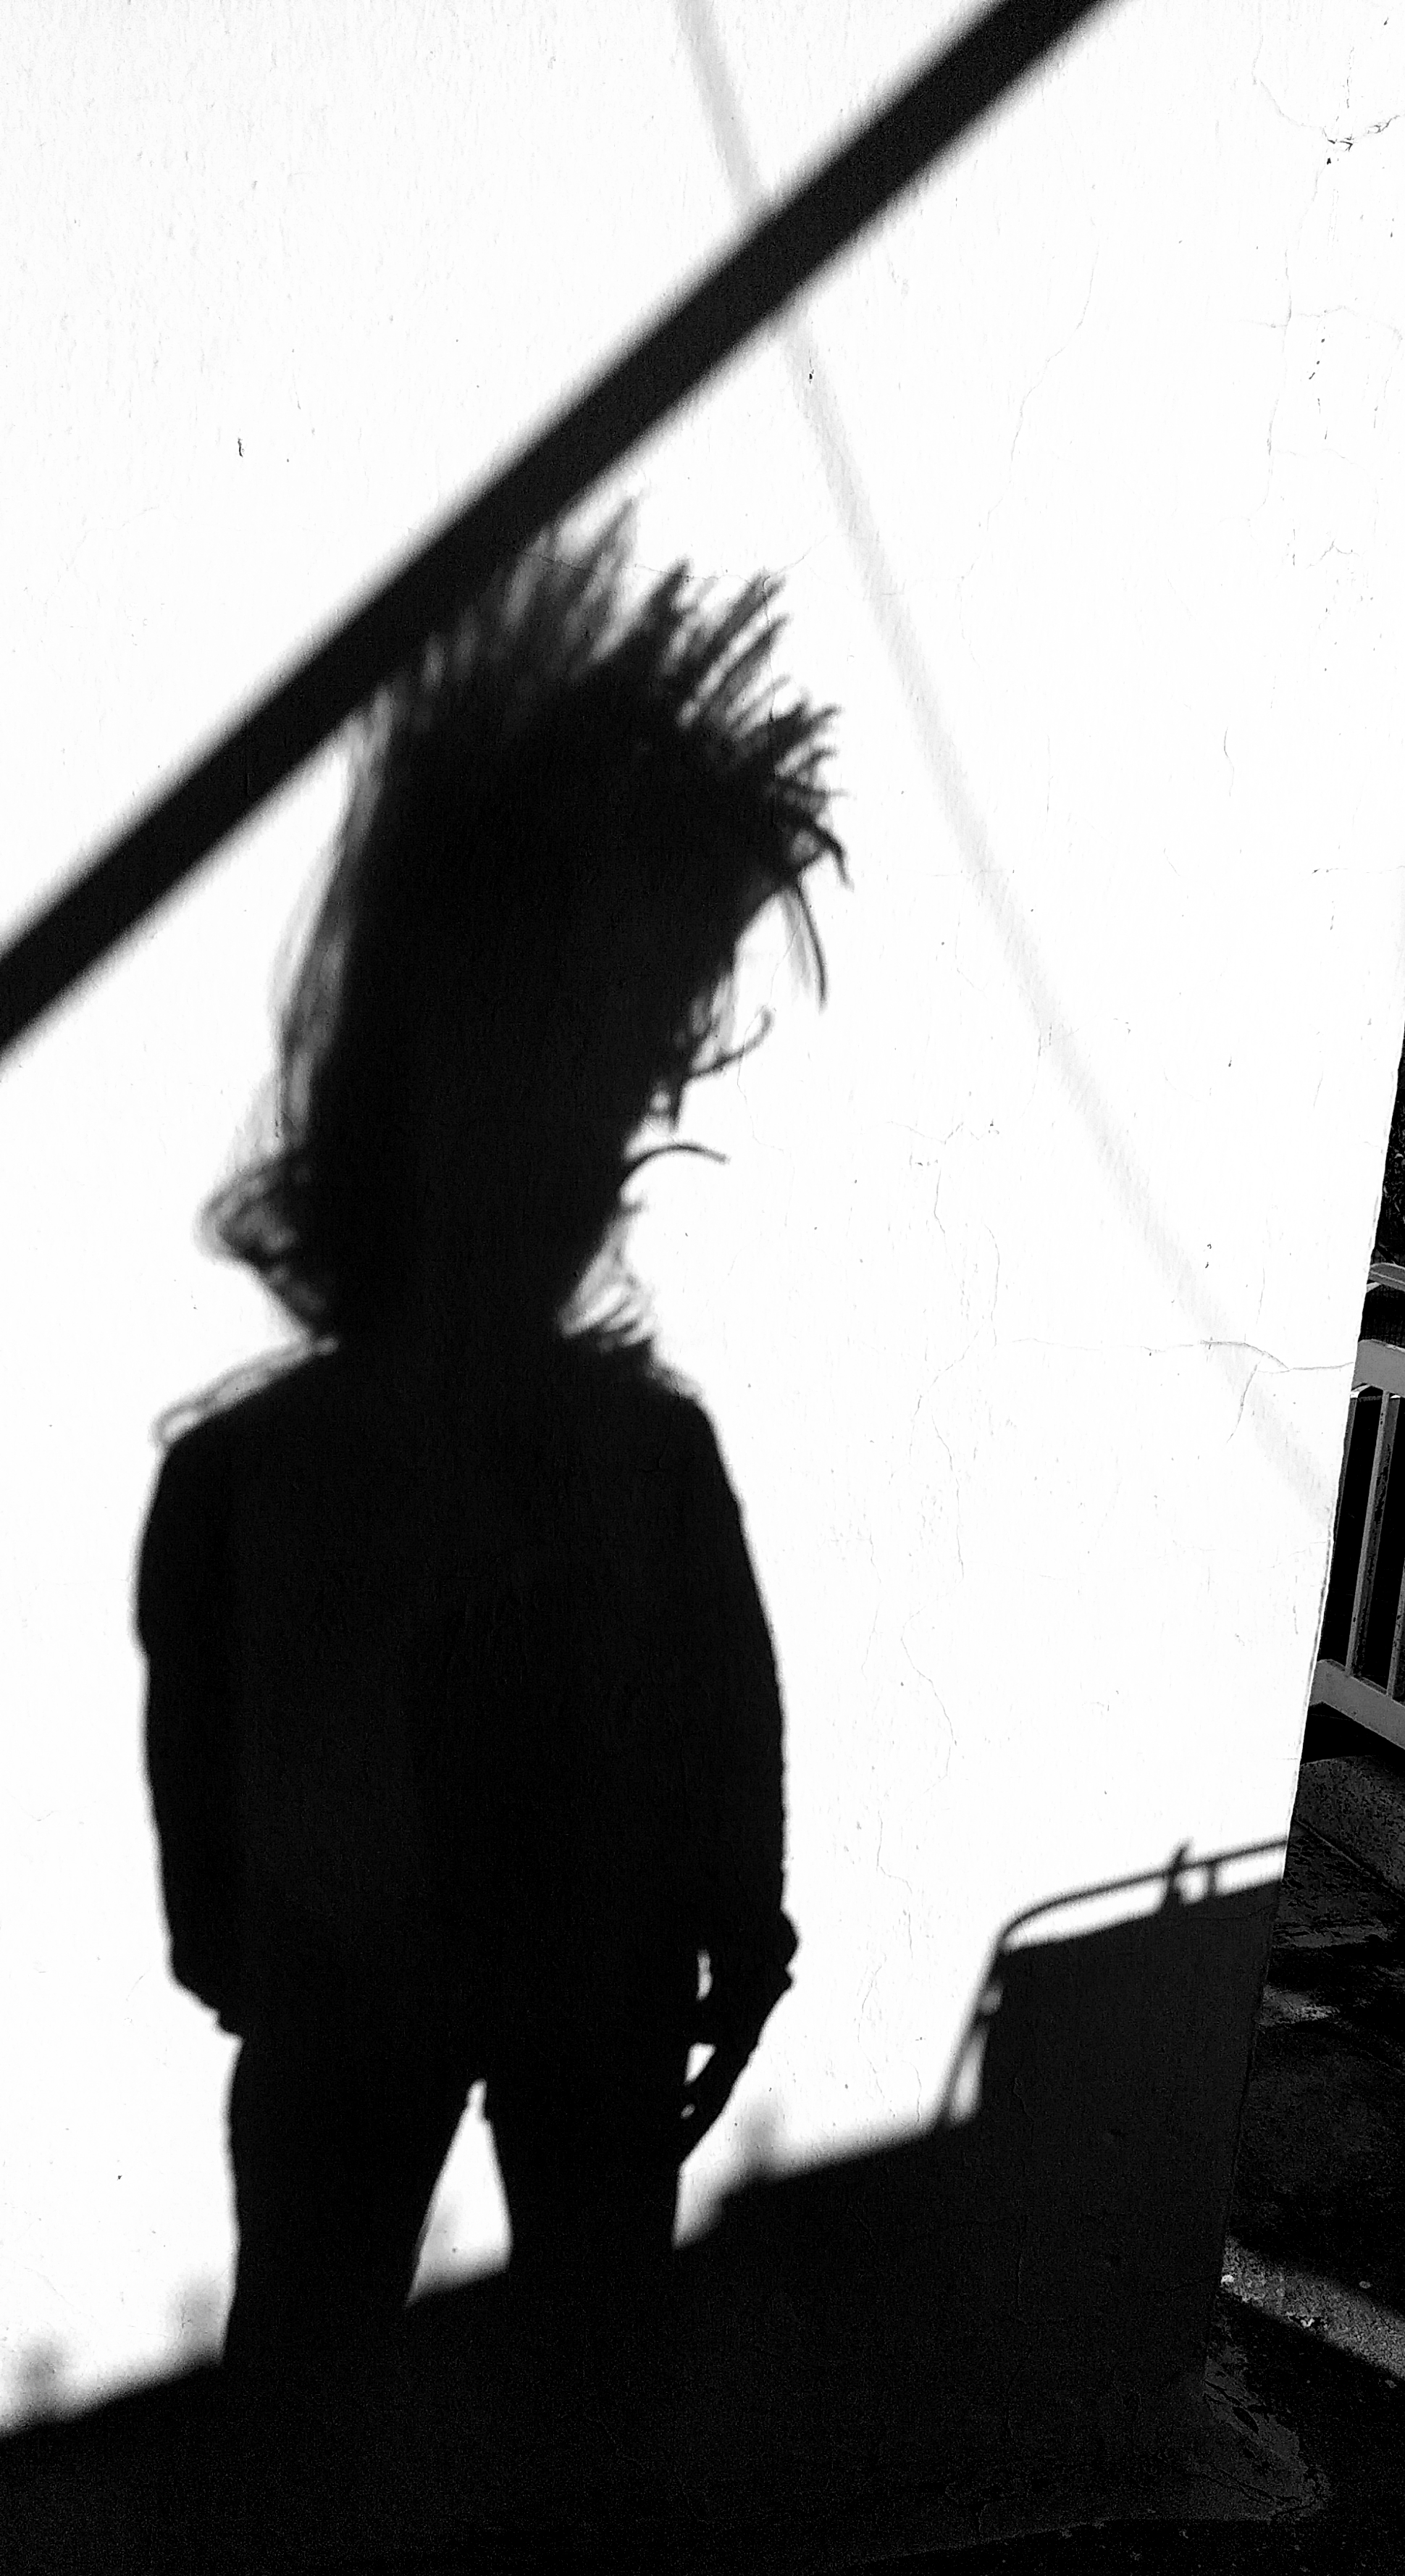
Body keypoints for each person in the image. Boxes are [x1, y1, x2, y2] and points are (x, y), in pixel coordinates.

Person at [135, 509, 844, 2386]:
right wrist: (736, 1923)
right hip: (513, 1989)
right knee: (535, 2364)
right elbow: (730, 1727)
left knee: (360, 2366)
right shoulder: (627, 1454)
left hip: (438, 1996)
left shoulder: (249, 1478)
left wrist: (256, 1948)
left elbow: (201, 1808)